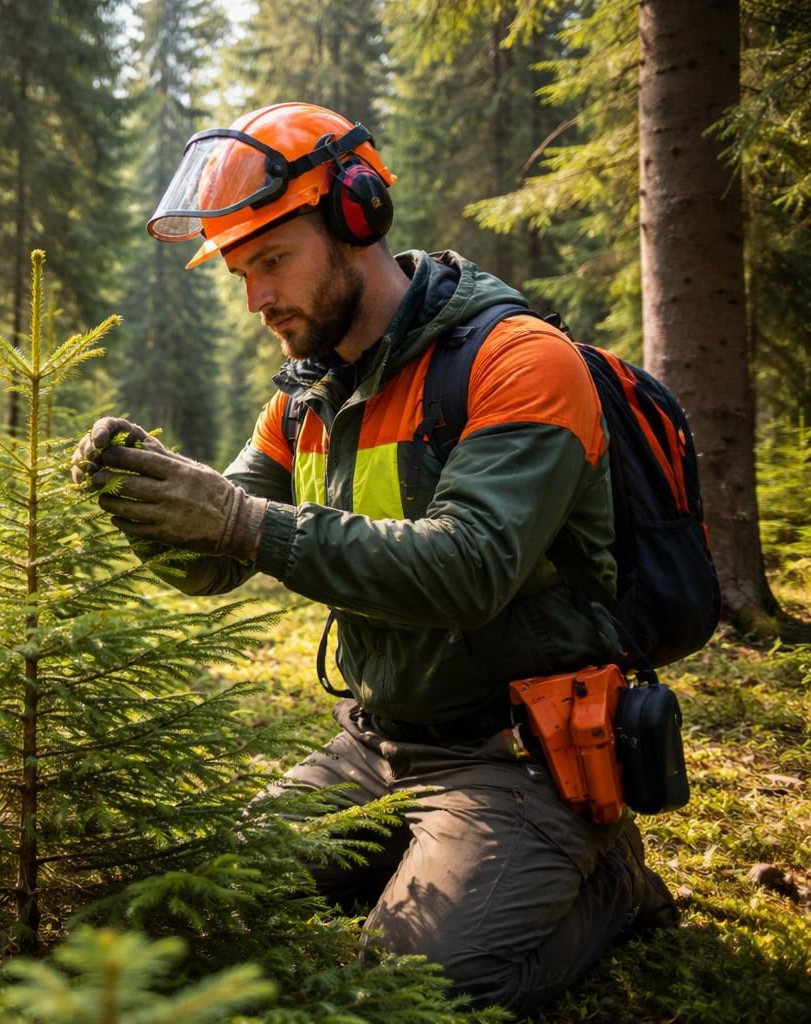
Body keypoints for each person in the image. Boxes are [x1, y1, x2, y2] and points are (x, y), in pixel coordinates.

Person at [72, 102, 678, 1015]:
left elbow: (470, 569)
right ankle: (429, 854)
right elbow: (214, 563)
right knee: (204, 906)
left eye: (273, 261)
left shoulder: (519, 362)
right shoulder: (306, 396)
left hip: (517, 758)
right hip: (374, 746)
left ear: (356, 220)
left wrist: (238, 520)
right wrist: (147, 504)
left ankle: (608, 886)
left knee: (402, 993)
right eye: (240, 273)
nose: (257, 300)